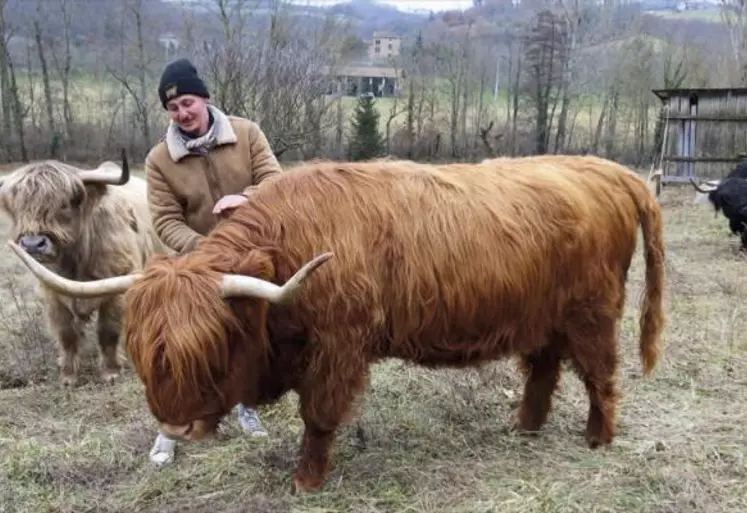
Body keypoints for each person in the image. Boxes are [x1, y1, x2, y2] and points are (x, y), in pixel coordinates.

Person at [144, 57, 283, 466]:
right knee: (182, 349)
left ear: (204, 98)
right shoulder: (159, 160)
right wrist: (202, 251)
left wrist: (248, 198)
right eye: (173, 108)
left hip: (253, 258)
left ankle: (247, 407)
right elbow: (166, 221)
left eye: (187, 102)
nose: (183, 113)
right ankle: (168, 428)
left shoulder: (246, 133)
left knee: (250, 339)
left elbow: (276, 181)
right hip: (195, 268)